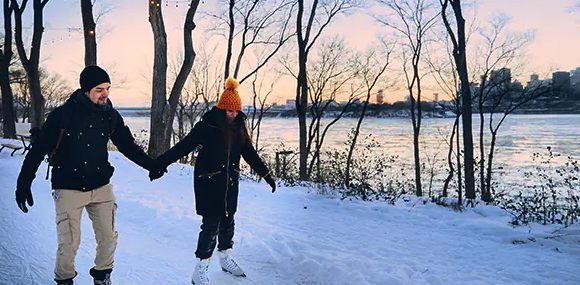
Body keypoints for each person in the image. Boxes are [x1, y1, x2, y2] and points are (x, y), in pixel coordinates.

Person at [15, 65, 156, 285]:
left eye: (108, 88)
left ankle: (102, 277)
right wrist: (23, 184)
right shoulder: (63, 115)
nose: (105, 94)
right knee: (69, 243)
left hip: (100, 186)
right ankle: (65, 280)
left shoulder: (110, 115)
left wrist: (151, 165)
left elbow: (128, 146)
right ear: (86, 90)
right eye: (99, 89)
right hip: (68, 187)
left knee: (108, 238)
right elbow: (38, 150)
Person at [150, 78, 276, 285]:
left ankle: (225, 258)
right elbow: (183, 147)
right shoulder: (207, 127)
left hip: (229, 183)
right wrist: (159, 164)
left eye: (236, 111)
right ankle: (200, 268)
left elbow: (250, 154)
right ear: (221, 110)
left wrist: (266, 174)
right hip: (208, 183)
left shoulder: (239, 128)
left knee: (228, 221)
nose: (233, 115)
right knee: (211, 225)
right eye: (229, 111)